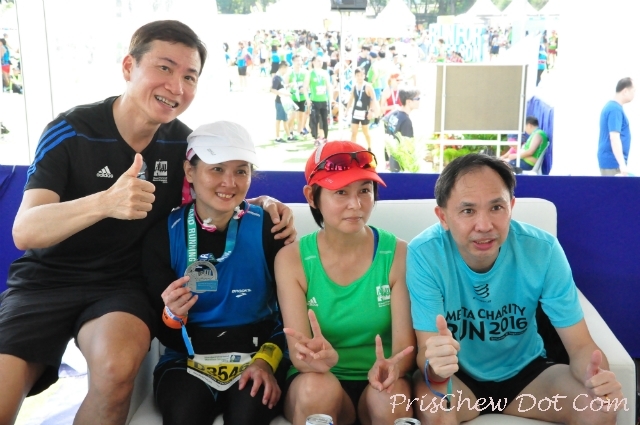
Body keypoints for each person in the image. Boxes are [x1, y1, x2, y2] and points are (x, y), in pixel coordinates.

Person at [0, 20, 295, 425]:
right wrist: (105, 202)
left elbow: (218, 186)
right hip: (44, 283)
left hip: (122, 286)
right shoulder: (70, 130)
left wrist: (263, 203)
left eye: (189, 76)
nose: (176, 86)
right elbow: (25, 231)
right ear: (129, 67)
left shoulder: (182, 144)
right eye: (164, 68)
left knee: (116, 370)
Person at [407, 154, 624, 425]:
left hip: (528, 375)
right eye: (468, 211)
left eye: (496, 207)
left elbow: (580, 346)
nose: (484, 226)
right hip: (458, 377)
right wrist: (436, 367)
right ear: (443, 216)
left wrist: (597, 379)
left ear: (511, 206)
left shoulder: (543, 249)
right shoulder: (425, 253)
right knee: (435, 410)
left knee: (600, 408)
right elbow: (427, 354)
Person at [143, 121, 289, 425]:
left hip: (258, 357)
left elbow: (292, 316)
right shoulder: (163, 235)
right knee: (184, 415)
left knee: (247, 415)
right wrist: (172, 315)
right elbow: (163, 331)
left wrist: (267, 361)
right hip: (186, 360)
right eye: (217, 169)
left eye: (241, 171)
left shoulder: (270, 228)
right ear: (189, 171)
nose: (229, 183)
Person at [276, 141, 416, 425]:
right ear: (312, 196)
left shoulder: (398, 253)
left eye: (365, 190)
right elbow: (300, 354)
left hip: (382, 379)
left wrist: (392, 367)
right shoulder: (292, 259)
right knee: (316, 389)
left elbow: (404, 350)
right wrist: (318, 359)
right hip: (317, 377)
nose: (356, 204)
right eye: (341, 192)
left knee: (391, 398)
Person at [597, 77, 635, 176]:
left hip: (612, 162)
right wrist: (622, 164)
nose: (634, 94)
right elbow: (614, 137)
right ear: (625, 91)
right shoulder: (615, 110)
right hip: (612, 163)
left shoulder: (613, 108)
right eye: (633, 91)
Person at [345, 68, 379, 151]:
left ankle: (369, 147)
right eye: (357, 75)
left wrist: (371, 111)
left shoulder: (368, 86)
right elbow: (351, 99)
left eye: (361, 75)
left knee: (366, 132)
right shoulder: (354, 87)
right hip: (355, 112)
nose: (359, 77)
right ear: (355, 76)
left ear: (364, 76)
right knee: (353, 132)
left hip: (365, 113)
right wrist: (347, 110)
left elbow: (373, 99)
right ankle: (352, 150)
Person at [305, 56, 333, 146]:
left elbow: (328, 86)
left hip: (324, 100)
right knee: (314, 119)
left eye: (321, 61)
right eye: (318, 61)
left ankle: (325, 137)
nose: (320, 63)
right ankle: (316, 138)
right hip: (314, 100)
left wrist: (331, 98)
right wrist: (307, 99)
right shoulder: (310, 73)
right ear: (313, 62)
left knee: (324, 120)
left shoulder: (325, 73)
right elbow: (305, 88)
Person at [271, 61, 292, 144]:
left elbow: (281, 87)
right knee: (279, 119)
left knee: (285, 119)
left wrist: (288, 85)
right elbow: (272, 89)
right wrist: (283, 94)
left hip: (283, 101)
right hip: (279, 102)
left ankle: (289, 136)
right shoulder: (276, 78)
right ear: (283, 68)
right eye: (286, 69)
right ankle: (278, 137)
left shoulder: (280, 77)